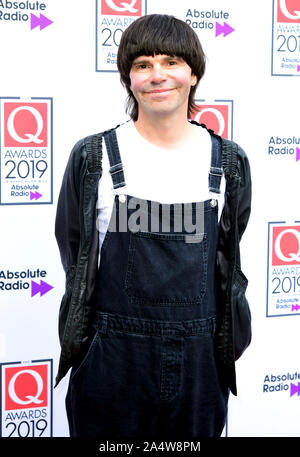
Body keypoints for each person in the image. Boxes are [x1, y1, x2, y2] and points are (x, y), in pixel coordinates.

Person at [55, 14, 251, 439]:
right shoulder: (94, 159)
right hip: (112, 365)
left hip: (200, 368)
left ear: (193, 73)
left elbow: (227, 265)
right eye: (143, 64)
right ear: (129, 78)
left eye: (171, 62)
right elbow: (75, 255)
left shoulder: (229, 164)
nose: (157, 75)